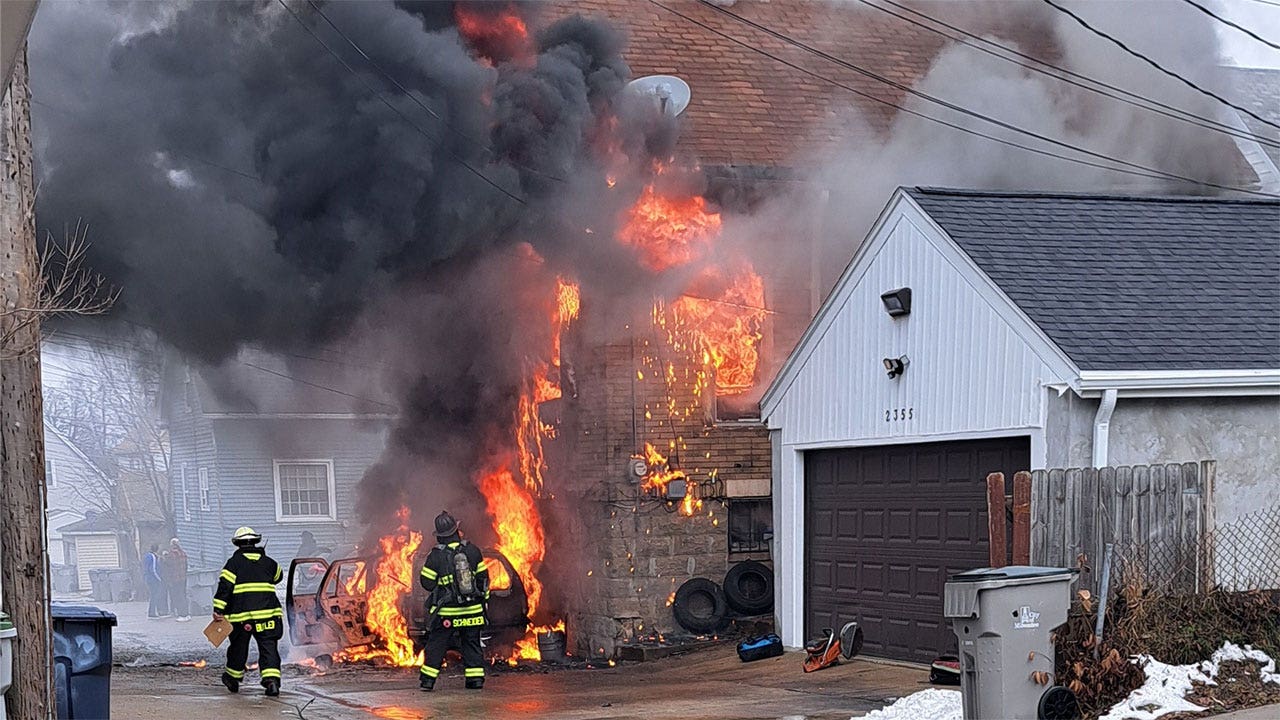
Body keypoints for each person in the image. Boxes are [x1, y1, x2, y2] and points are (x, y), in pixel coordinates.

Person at [419, 511, 490, 692]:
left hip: (448, 613)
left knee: (436, 644)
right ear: (456, 531)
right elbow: (483, 579)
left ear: (440, 536)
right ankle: (475, 681)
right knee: (472, 643)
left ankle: (427, 681)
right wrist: (483, 602)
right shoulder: (472, 551)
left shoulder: (435, 556)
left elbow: (427, 583)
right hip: (473, 610)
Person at [213, 527, 284, 697]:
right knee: (269, 647)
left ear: (237, 544)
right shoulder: (270, 563)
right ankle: (272, 681)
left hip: (241, 617)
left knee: (238, 648)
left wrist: (218, 609)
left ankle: (232, 678)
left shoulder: (233, 563)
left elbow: (225, 587)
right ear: (255, 542)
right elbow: (278, 577)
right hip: (268, 615)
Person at [163, 538, 191, 622]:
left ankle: (181, 614)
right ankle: (187, 614)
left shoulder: (172, 554)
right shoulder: (183, 553)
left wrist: (164, 556)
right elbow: (186, 566)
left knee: (178, 596)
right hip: (183, 578)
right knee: (183, 595)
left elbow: (168, 564)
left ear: (172, 544)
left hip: (175, 578)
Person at [143, 544, 169, 619]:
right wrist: (159, 579)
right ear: (157, 549)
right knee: (155, 595)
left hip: (148, 579)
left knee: (153, 595)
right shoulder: (153, 557)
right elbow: (153, 569)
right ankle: (152, 612)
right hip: (153, 579)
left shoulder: (147, 556)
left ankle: (152, 611)